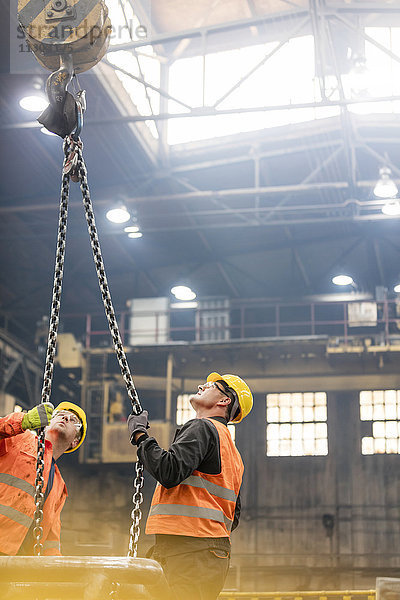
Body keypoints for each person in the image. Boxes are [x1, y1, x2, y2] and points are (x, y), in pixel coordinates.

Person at [127, 371, 253, 600]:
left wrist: (140, 437)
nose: (201, 386)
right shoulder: (232, 452)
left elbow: (169, 470)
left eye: (211, 385)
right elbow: (233, 516)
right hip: (211, 555)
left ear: (225, 400)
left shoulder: (202, 427)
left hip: (188, 552)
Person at [0, 400, 87, 556]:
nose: (65, 418)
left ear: (75, 441)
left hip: (18, 564)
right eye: (60, 415)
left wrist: (55, 574)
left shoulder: (59, 487)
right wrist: (23, 421)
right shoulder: (19, 440)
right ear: (46, 424)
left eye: (73, 420)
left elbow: (50, 541)